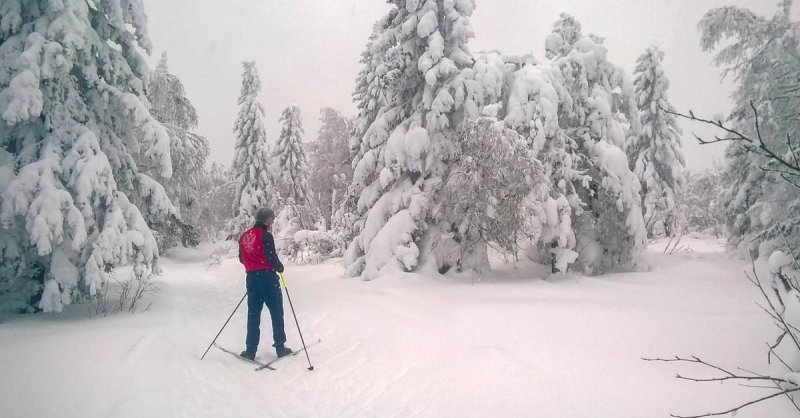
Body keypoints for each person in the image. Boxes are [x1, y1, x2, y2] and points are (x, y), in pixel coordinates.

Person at [238, 207, 292, 360]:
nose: (272, 223)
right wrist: (280, 267)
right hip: (268, 279)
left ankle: (250, 351)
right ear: (267, 221)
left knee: (253, 315)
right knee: (276, 312)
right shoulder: (266, 236)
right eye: (272, 221)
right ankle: (280, 347)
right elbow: (271, 258)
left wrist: (253, 266)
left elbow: (241, 258)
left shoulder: (244, 236)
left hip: (251, 279)